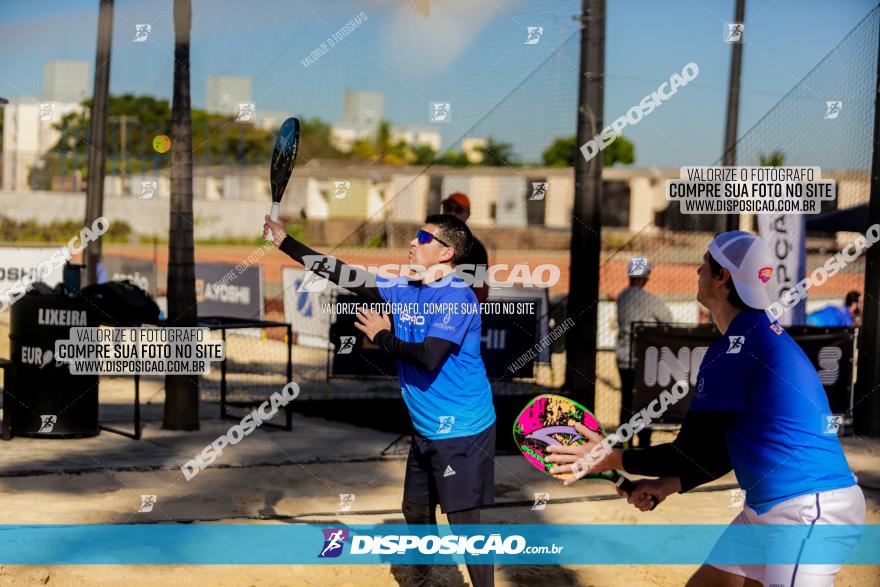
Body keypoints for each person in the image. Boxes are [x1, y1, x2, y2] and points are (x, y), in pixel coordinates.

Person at [547, 231, 865, 587]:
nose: (697, 271)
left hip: (808, 511)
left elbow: (687, 452)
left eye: (703, 264)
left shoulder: (736, 349)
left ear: (722, 276)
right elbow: (715, 453)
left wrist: (610, 458)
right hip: (771, 506)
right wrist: (669, 484)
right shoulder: (755, 336)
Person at [264, 213, 496, 587]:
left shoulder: (456, 297)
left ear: (446, 253)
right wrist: (285, 242)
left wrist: (383, 336)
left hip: (463, 428)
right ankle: (421, 580)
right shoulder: (405, 290)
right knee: (415, 510)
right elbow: (342, 273)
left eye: (423, 238)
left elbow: (428, 357)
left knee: (464, 522)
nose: (412, 242)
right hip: (427, 428)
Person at [615, 257, 673, 447]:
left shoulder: (622, 296)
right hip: (642, 359)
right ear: (645, 276)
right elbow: (667, 319)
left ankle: (625, 440)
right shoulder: (648, 299)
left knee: (627, 399)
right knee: (646, 401)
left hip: (623, 357)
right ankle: (644, 440)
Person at [441, 192, 490, 303]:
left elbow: (481, 287)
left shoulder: (476, 248)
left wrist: (468, 313)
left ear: (467, 214)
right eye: (448, 208)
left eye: (458, 210)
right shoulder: (430, 240)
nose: (452, 213)